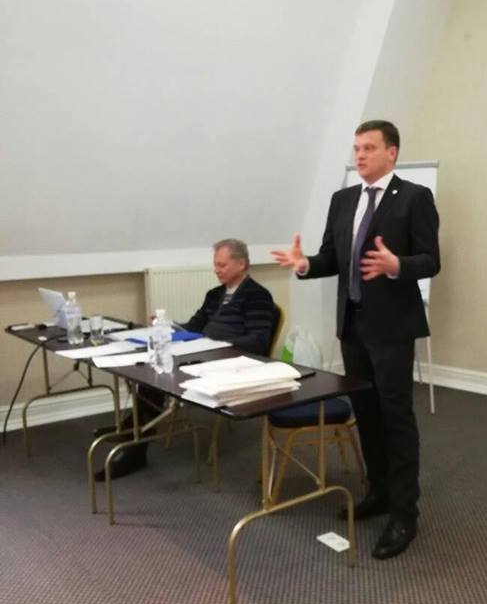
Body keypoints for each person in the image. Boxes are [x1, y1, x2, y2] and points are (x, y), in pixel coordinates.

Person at [272, 120, 440, 559]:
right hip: (353, 326)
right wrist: (305, 264)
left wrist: (397, 266)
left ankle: (404, 513)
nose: (360, 155)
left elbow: (430, 260)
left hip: (393, 329)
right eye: (356, 148)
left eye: (369, 148)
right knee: (366, 413)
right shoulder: (343, 200)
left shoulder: (415, 198)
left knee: (396, 417)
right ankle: (378, 490)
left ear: (392, 153)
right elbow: (332, 258)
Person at [95, 239, 276, 480]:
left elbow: (258, 341)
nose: (216, 270)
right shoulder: (214, 294)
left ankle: (134, 441)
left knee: (160, 375)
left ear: (241, 264)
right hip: (203, 353)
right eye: (215, 264)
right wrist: (169, 325)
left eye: (222, 265)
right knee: (152, 369)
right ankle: (134, 430)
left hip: (230, 361)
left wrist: (219, 345)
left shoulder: (258, 296)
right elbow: (193, 327)